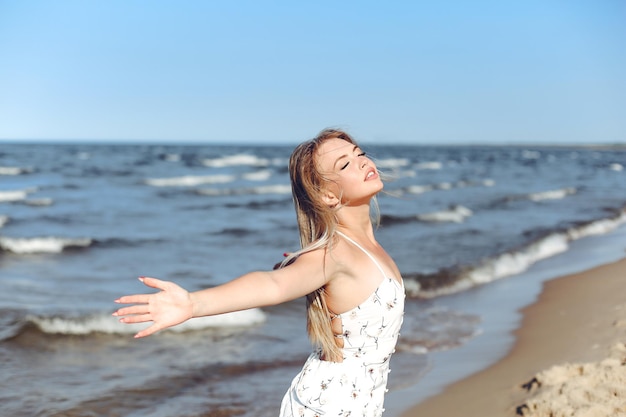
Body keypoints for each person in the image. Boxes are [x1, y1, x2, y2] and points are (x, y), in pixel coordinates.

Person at [113, 128, 405, 416]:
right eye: (345, 164)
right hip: (329, 407)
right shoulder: (335, 253)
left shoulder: (365, 246)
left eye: (359, 154)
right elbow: (273, 285)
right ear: (327, 194)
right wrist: (193, 304)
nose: (363, 162)